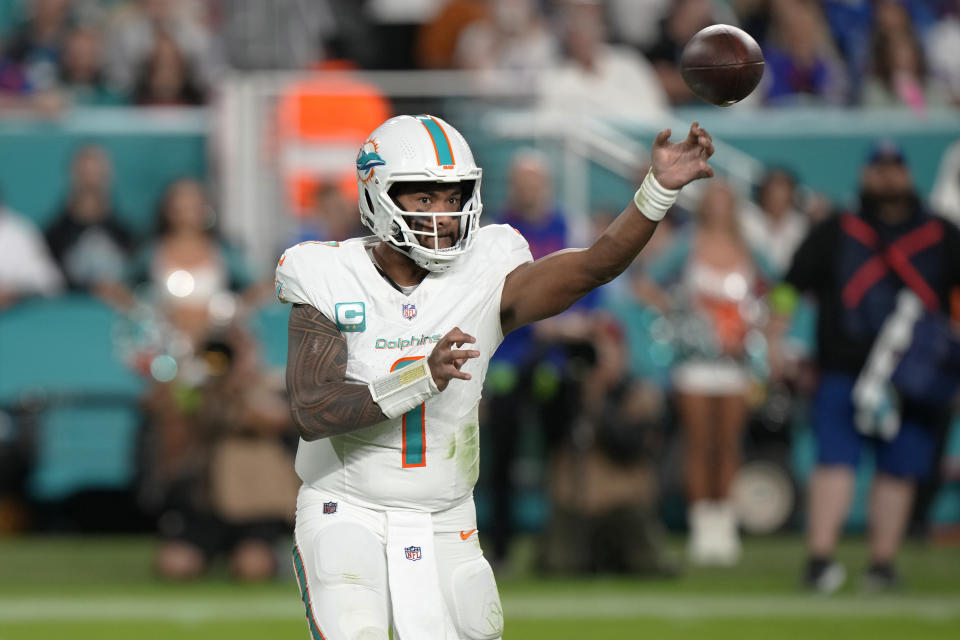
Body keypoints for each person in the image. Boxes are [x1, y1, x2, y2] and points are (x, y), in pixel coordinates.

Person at [275, 114, 714, 639]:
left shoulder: (487, 265)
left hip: (445, 517)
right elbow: (312, 407)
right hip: (347, 507)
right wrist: (420, 377)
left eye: (452, 196)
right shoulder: (326, 272)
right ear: (377, 193)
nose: (443, 214)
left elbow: (593, 266)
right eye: (424, 198)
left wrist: (657, 192)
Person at [770, 140, 960, 593]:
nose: (888, 177)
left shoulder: (940, 233)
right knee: (834, 461)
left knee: (899, 468)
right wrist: (774, 336)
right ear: (865, 174)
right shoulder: (838, 229)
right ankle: (820, 559)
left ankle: (882, 563)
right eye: (880, 168)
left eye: (896, 167)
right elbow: (790, 284)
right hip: (843, 367)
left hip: (916, 376)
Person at [634, 178, 777, 566]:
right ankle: (702, 528)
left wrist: (768, 331)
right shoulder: (687, 243)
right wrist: (679, 316)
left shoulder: (751, 247)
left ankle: (725, 525)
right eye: (711, 201)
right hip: (694, 362)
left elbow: (783, 290)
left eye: (724, 200)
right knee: (698, 444)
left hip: (736, 362)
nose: (718, 207)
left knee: (729, 443)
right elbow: (645, 282)